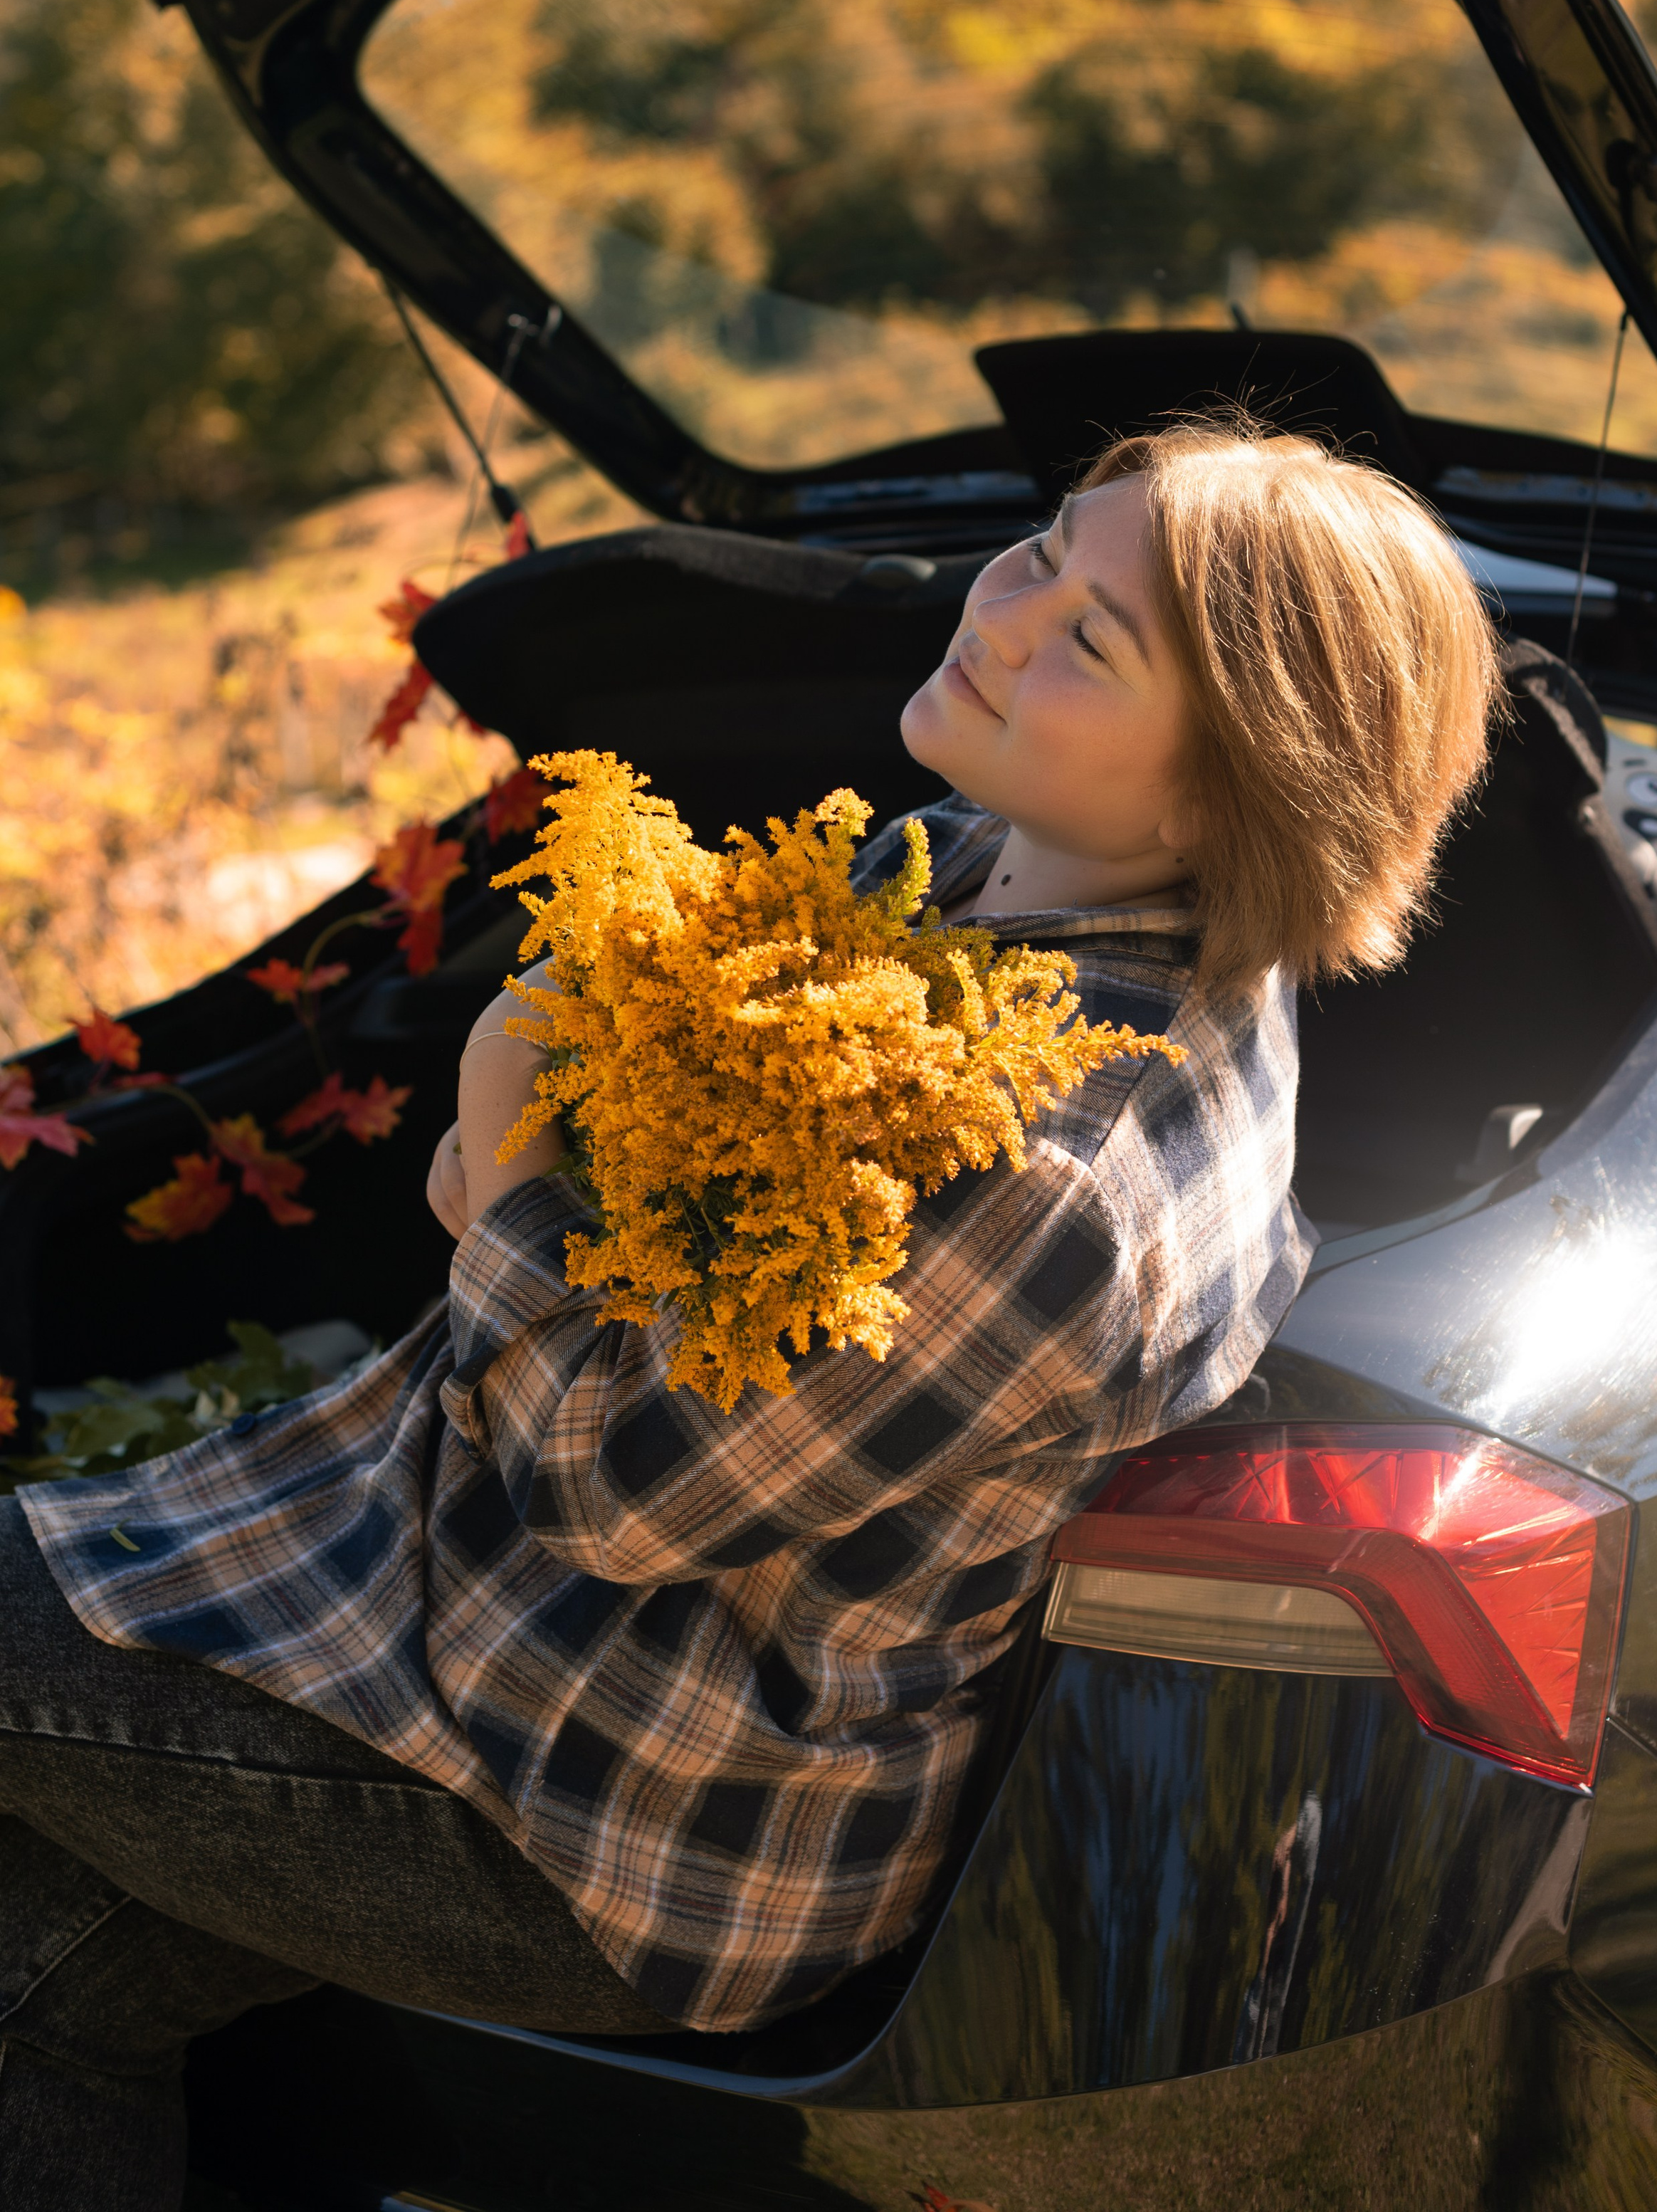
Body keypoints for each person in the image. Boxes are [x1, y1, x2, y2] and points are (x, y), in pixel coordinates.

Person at [0, 417, 1499, 2210]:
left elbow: (614, 1496)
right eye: (1042, 551)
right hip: (477, 1609)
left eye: (1092, 638)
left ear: (1224, 792)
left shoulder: (1065, 1179)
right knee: (40, 1974)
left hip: (613, 1807)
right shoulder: (990, 864)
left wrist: (509, 1167)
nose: (1004, 613)